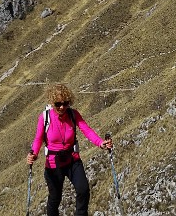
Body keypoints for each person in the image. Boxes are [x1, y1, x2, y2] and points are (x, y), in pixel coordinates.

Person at [26, 83, 112, 216]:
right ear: (52, 102)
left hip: (73, 160)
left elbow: (87, 130)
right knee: (55, 198)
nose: (62, 107)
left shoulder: (73, 114)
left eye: (65, 103)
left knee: (83, 190)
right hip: (53, 164)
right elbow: (38, 139)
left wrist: (101, 143)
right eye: (58, 104)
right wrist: (34, 154)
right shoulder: (45, 117)